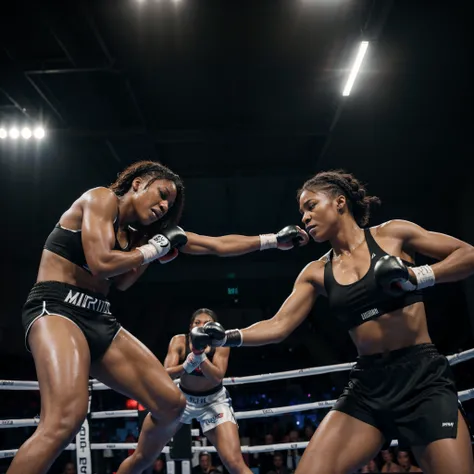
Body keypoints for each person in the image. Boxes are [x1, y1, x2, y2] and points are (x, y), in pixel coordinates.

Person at [9, 160, 308, 474]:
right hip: (57, 307)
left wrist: (273, 240)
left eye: (170, 203)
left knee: (171, 405)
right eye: (162, 194)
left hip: (98, 316)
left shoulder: (141, 234)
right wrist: (153, 249)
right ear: (138, 184)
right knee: (64, 420)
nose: (165, 206)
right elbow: (100, 263)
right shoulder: (101, 199)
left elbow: (214, 245)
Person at [191, 170, 474, 474]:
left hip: (423, 379)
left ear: (340, 202)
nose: (305, 218)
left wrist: (418, 276)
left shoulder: (393, 234)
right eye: (302, 211)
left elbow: (467, 254)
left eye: (311, 206)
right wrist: (227, 336)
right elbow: (278, 325)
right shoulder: (316, 272)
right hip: (369, 385)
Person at [163, 308, 251, 474]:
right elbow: (164, 374)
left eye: (206, 324)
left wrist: (199, 355)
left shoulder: (222, 343)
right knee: (146, 454)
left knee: (234, 462)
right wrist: (185, 366)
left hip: (213, 401)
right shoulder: (179, 341)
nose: (201, 326)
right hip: (183, 400)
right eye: (197, 323)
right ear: (191, 327)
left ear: (213, 327)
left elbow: (217, 376)